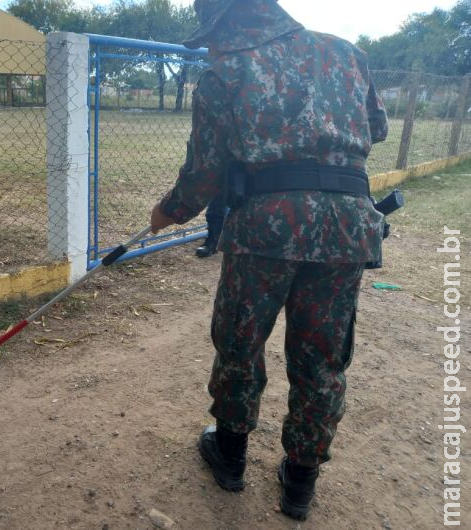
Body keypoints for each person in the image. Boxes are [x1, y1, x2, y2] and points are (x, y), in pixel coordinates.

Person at [149, 0, 388, 521]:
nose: (210, 46)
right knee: (321, 357)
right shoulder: (349, 54)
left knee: (240, 339)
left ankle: (230, 457)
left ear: (227, 23)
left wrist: (169, 211)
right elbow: (376, 130)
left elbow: (206, 172)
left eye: (211, 34)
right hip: (348, 226)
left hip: (267, 224)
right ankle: (300, 483)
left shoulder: (224, 71)